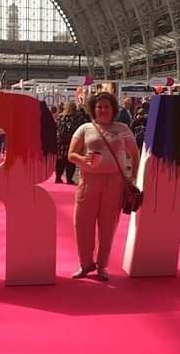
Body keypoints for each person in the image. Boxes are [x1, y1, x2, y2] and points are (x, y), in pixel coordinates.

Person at [68, 92, 140, 281]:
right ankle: (85, 264)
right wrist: (83, 159)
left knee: (108, 227)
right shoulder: (85, 129)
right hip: (88, 182)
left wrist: (132, 176)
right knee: (82, 224)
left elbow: (134, 154)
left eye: (106, 106)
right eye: (99, 107)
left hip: (115, 183)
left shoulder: (123, 129)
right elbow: (71, 154)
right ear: (93, 109)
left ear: (113, 108)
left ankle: (102, 266)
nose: (103, 110)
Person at [55, 102, 79, 184]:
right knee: (71, 160)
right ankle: (69, 179)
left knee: (60, 160)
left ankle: (58, 177)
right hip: (72, 141)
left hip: (60, 142)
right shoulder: (76, 117)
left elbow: (56, 128)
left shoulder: (60, 117)